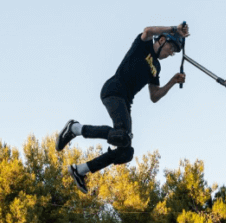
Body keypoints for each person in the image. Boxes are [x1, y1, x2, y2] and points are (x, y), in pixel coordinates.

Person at [57, 23, 189, 192]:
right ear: (162, 40)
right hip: (114, 90)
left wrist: (172, 81)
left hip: (126, 101)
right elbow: (148, 30)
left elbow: (154, 96)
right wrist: (174, 29)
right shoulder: (144, 44)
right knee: (122, 135)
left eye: (174, 52)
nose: (171, 54)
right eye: (171, 48)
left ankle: (81, 170)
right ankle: (74, 128)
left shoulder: (156, 68)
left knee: (125, 150)